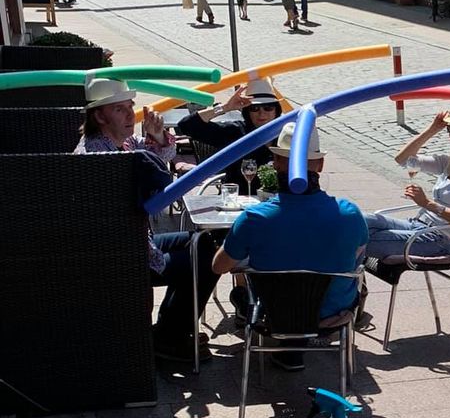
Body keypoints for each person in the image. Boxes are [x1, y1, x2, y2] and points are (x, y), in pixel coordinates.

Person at [74, 79, 219, 363]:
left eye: (130, 106)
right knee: (208, 261)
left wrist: (158, 136)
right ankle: (169, 338)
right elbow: (118, 226)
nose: (131, 115)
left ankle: (168, 330)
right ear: (99, 116)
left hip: (138, 242)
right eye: (119, 109)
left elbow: (158, 155)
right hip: (121, 257)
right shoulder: (98, 159)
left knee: (203, 243)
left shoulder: (118, 142)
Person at [213, 122, 367, 371]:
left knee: (241, 292)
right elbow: (360, 250)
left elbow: (218, 266)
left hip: (274, 314)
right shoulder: (349, 213)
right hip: (332, 314)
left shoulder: (254, 219)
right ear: (320, 165)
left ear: (275, 163)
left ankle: (287, 350)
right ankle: (294, 352)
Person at [363, 101, 450, 260]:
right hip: (418, 225)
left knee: (358, 240)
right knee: (361, 220)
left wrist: (427, 204)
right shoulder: (448, 162)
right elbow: (403, 159)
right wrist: (432, 130)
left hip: (438, 240)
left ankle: (342, 281)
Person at [176, 78, 280, 195]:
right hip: (239, 201)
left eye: (268, 108)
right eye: (254, 108)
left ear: (276, 110)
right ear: (247, 111)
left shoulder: (287, 133)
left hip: (279, 201)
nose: (262, 113)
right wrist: (226, 107)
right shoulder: (236, 131)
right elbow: (187, 125)